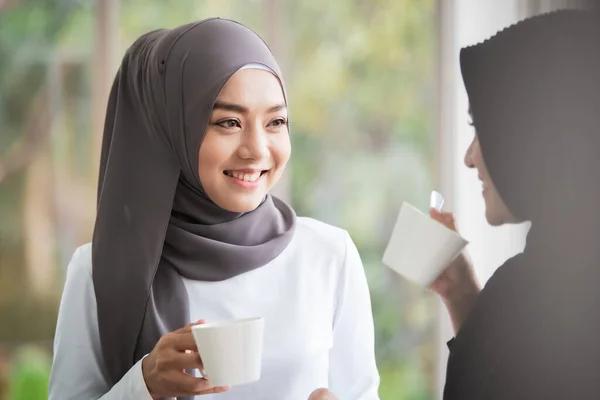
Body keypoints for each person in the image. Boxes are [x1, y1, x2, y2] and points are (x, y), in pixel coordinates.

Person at [48, 18, 380, 400]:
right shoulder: (99, 270)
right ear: (173, 130)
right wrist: (144, 384)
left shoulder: (328, 255)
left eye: (276, 122)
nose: (256, 148)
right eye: (228, 122)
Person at [428, 8, 600, 399]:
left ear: (532, 135)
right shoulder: (546, 288)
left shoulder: (542, 299)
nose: (470, 157)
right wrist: (463, 294)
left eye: (481, 128)